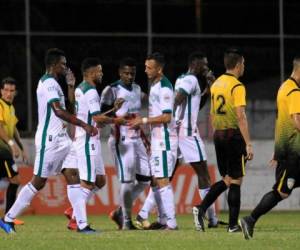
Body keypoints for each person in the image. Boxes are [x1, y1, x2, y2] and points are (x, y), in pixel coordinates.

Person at [0, 48, 97, 234]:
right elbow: (59, 111)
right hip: (49, 140)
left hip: (63, 140)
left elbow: (69, 108)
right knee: (39, 182)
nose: (65, 67)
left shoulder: (57, 84)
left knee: (74, 176)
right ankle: (7, 218)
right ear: (53, 65)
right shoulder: (48, 83)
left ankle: (82, 224)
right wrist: (84, 125)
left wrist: (70, 86)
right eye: (63, 64)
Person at [193, 48, 253, 233]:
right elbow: (241, 116)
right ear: (237, 65)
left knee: (227, 179)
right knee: (236, 180)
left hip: (219, 135)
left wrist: (217, 133)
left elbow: (211, 114)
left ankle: (201, 208)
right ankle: (233, 225)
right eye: (243, 63)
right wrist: (248, 143)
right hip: (233, 135)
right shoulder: (237, 86)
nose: (244, 67)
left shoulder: (217, 83)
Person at [239, 56, 300, 240]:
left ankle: (250, 219)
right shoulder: (294, 92)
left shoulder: (283, 88)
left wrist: (276, 149)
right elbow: (296, 122)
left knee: (283, 191)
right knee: (281, 191)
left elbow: (280, 120)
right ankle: (250, 219)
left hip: (288, 150)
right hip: (293, 153)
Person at [71, 57, 125, 233]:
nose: (102, 73)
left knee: (100, 180)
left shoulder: (81, 88)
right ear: (91, 72)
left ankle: (74, 213)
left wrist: (112, 110)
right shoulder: (92, 92)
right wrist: (117, 119)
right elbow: (96, 118)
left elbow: (92, 116)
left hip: (89, 140)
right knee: (86, 183)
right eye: (99, 71)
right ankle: (80, 224)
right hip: (87, 142)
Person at [129, 52, 178, 230]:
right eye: (145, 66)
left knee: (162, 180)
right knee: (157, 181)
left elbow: (166, 117)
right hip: (158, 141)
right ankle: (163, 220)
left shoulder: (165, 87)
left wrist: (142, 121)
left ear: (159, 68)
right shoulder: (155, 85)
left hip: (165, 142)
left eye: (149, 67)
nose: (146, 70)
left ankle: (172, 224)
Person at [101, 57, 151, 230]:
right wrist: (114, 111)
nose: (130, 76)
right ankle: (127, 222)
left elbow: (145, 103)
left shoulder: (137, 88)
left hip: (137, 139)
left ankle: (120, 211)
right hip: (121, 140)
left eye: (133, 73)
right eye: (126, 73)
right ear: (119, 73)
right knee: (127, 181)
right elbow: (100, 118)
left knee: (146, 178)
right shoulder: (111, 90)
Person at [174, 52, 220, 227]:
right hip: (188, 132)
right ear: (195, 64)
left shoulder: (182, 78)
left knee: (168, 174)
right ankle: (211, 218)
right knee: (204, 175)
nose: (206, 68)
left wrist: (208, 89)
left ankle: (145, 213)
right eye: (204, 64)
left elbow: (195, 105)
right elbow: (177, 100)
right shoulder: (191, 80)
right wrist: (168, 118)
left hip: (179, 131)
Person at [0, 77, 28, 226]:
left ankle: (8, 217)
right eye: (6, 90)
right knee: (15, 180)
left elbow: (14, 129)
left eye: (11, 91)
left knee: (13, 181)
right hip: (2, 150)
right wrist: (12, 145)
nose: (8, 93)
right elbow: (0, 128)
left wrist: (21, 147)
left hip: (5, 150)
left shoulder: (10, 108)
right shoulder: (0, 105)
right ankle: (8, 218)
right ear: (1, 91)